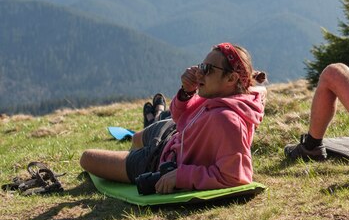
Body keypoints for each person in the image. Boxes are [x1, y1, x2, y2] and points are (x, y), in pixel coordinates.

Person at [81, 43, 267, 193]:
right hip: (171, 134)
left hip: (157, 161)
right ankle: (152, 122)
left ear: (231, 79)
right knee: (137, 137)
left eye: (208, 69)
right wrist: (187, 92)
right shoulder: (220, 96)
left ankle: (134, 155)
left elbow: (235, 177)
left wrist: (181, 176)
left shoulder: (228, 120)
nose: (199, 73)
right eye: (201, 66)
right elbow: (180, 117)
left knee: (87, 158)